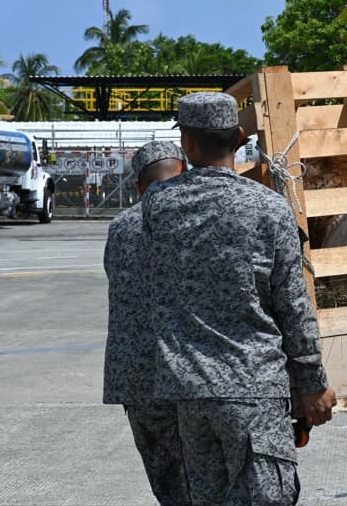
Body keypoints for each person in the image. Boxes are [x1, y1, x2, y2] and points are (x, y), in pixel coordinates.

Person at [143, 92, 336, 505]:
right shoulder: (269, 208)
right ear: (240, 138)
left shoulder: (157, 204)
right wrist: (312, 383)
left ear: (188, 144)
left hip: (189, 392)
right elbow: (292, 304)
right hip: (254, 391)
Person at [102, 140, 190, 506]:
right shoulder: (194, 218)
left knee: (168, 483)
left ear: (139, 185)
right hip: (186, 374)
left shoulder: (120, 227)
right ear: (184, 175)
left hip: (135, 378)